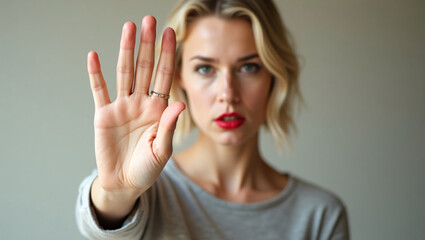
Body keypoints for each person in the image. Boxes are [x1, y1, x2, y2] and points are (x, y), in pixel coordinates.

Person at [76, 0, 350, 239]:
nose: (228, 94)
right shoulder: (148, 192)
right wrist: (118, 192)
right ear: (180, 75)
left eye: (248, 67)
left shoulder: (319, 215)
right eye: (205, 68)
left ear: (273, 76)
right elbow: (101, 225)